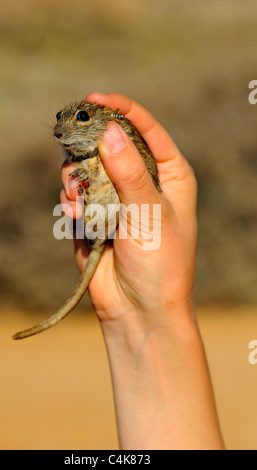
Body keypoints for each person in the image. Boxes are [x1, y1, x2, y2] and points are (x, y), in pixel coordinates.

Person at [60, 92, 224, 450]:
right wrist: (137, 316)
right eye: (61, 119)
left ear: (106, 122)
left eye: (82, 119)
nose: (61, 130)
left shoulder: (114, 136)